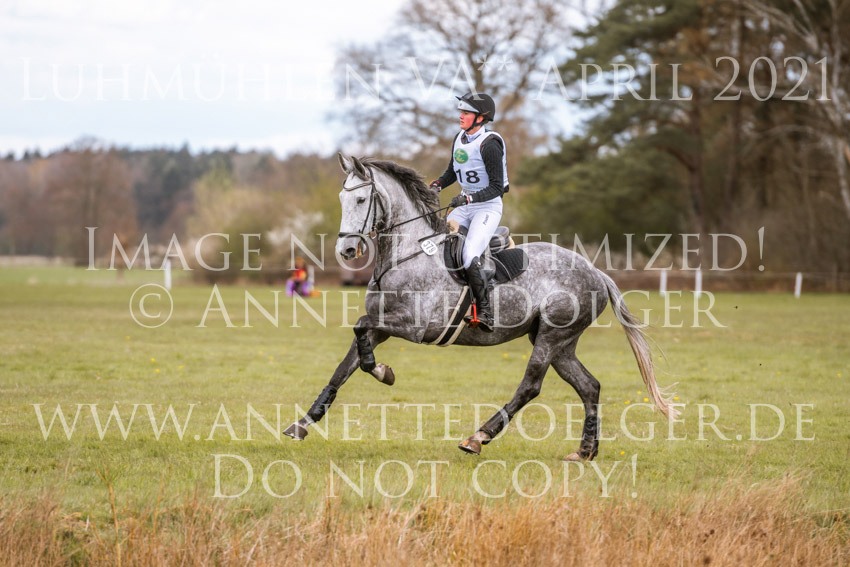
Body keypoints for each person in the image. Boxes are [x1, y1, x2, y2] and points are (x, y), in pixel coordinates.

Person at [430, 91, 509, 332]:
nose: (460, 116)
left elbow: (497, 188)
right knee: (436, 242)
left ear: (480, 117)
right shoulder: (460, 138)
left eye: (466, 112)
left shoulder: (490, 144)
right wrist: (438, 184)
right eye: (461, 112)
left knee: (469, 254)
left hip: (487, 207)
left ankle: (485, 312)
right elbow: (452, 172)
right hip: (465, 206)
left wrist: (469, 197)